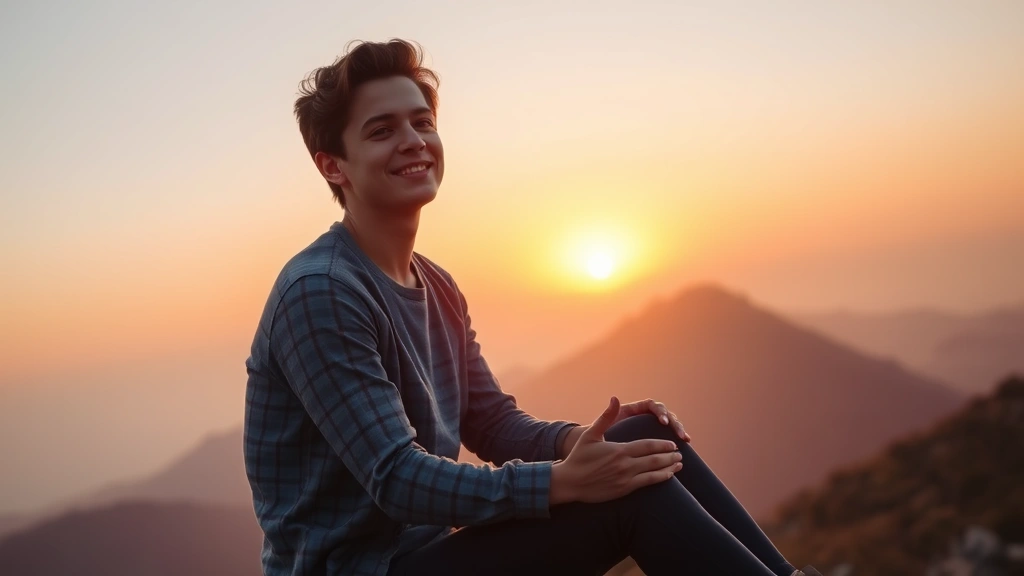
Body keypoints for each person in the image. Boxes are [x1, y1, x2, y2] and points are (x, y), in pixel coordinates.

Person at [243, 39, 822, 576]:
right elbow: (396, 480)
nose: (414, 140)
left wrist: (579, 442)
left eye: (423, 122)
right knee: (630, 498)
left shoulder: (436, 285)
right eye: (381, 130)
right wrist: (559, 484)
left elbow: (491, 423)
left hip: (427, 555)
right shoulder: (321, 292)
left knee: (645, 436)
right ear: (333, 166)